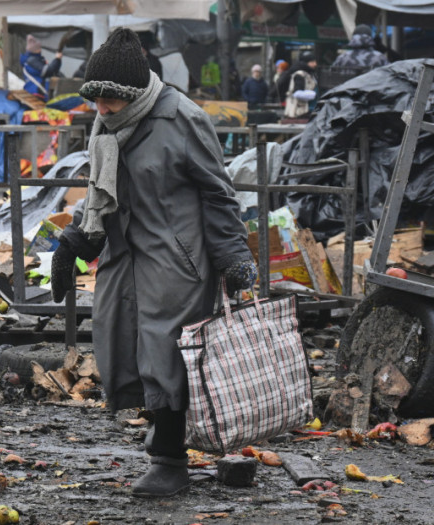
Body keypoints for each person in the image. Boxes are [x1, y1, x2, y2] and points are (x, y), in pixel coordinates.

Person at [50, 28, 256, 498]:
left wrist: (234, 256)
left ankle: (169, 459)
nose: (101, 109)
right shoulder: (108, 124)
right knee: (119, 342)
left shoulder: (182, 119)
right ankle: (163, 430)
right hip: (124, 255)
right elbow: (100, 191)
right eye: (95, 100)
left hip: (175, 259)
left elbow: (218, 194)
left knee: (166, 354)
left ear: (134, 92)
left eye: (109, 100)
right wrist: (73, 243)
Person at [20, 34, 62, 99]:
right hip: (36, 92)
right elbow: (48, 71)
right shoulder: (32, 60)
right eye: (39, 48)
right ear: (35, 50)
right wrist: (57, 59)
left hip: (35, 91)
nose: (40, 50)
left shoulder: (33, 60)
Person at [278, 51, 318, 119]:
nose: (315, 64)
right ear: (305, 63)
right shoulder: (300, 74)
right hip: (300, 112)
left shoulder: (310, 74)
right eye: (312, 62)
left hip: (307, 111)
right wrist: (314, 94)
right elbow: (297, 93)